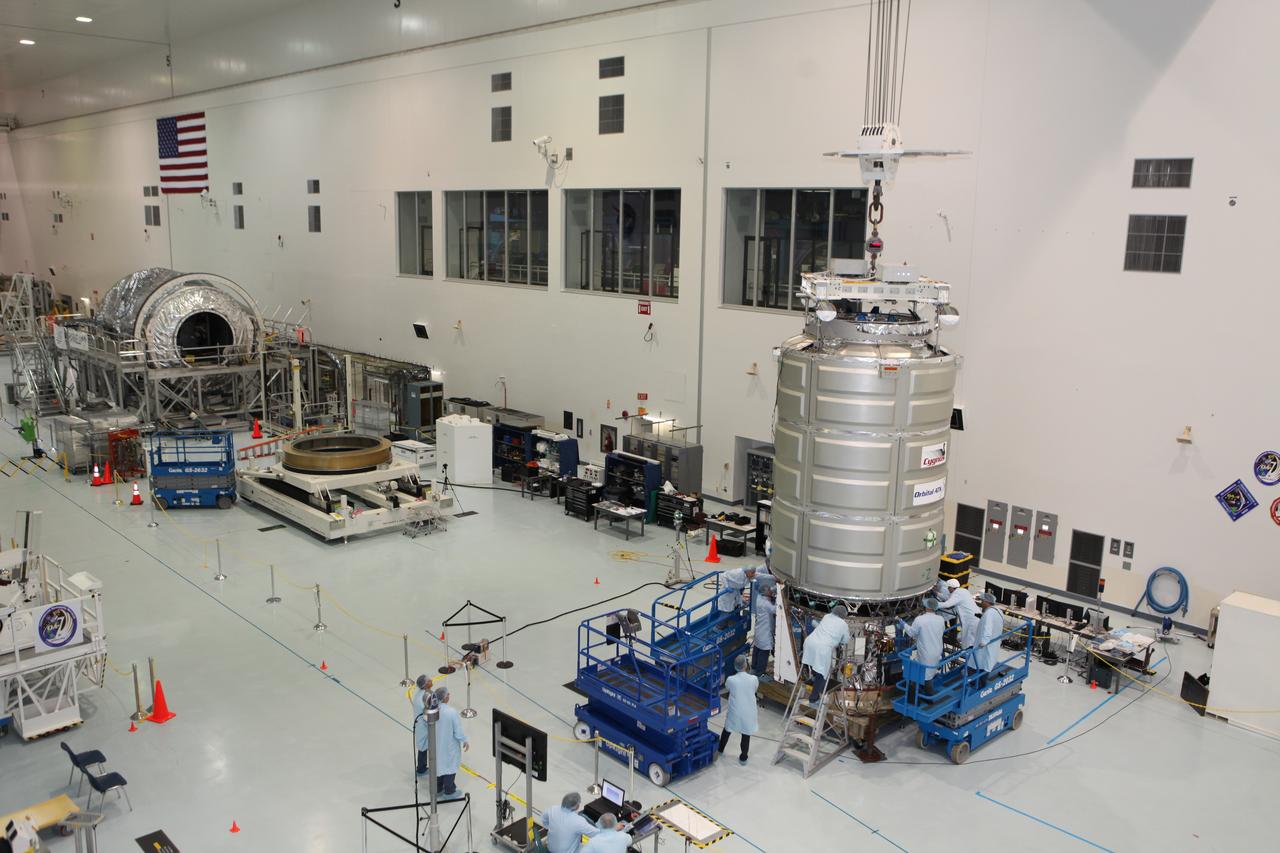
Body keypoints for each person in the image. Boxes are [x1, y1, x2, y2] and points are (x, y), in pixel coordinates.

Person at [801, 604, 850, 702]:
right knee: (821, 673)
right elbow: (845, 640)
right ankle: (813, 698)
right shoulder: (843, 624)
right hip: (822, 648)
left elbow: (823, 627)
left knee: (813, 662)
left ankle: (814, 675)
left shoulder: (827, 616)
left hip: (810, 642)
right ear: (844, 614)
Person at [718, 655, 759, 764]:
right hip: (748, 712)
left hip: (735, 711)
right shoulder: (753, 679)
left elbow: (727, 688)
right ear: (746, 665)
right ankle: (743, 757)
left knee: (727, 729)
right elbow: (755, 689)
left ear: (735, 666)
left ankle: (720, 749)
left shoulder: (731, 680)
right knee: (746, 734)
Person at [432, 686, 469, 799]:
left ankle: (437, 788)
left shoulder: (433, 710)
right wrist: (464, 740)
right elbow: (457, 731)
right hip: (449, 746)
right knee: (449, 767)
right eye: (448, 694)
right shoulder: (451, 712)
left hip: (436, 745)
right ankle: (449, 790)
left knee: (438, 766)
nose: (449, 696)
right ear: (444, 697)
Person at [900, 598, 946, 680]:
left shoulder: (920, 619)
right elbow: (940, 632)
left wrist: (903, 624)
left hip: (926, 653)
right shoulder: (941, 619)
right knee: (931, 671)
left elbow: (911, 633)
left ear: (927, 607)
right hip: (937, 650)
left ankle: (926, 690)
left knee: (926, 676)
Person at [936, 578, 980, 648]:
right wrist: (936, 593)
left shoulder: (957, 594)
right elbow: (949, 598)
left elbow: (947, 604)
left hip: (971, 621)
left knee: (968, 643)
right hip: (976, 618)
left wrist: (934, 604)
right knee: (968, 640)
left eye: (948, 588)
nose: (947, 589)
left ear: (951, 588)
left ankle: (970, 656)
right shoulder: (963, 591)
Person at [974, 592, 1006, 673]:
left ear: (986, 602)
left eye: (982, 601)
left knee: (982, 663)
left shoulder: (988, 613)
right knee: (987, 662)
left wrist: (984, 642)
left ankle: (978, 682)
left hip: (986, 645)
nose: (981, 603)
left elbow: (987, 628)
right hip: (994, 642)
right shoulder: (998, 611)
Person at [751, 583, 777, 680]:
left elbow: (767, 590)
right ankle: (759, 673)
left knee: (756, 649)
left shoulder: (759, 597)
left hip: (759, 630)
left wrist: (775, 588)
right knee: (763, 654)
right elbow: (776, 609)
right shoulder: (766, 604)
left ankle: (753, 667)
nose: (771, 591)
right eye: (770, 591)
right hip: (764, 633)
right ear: (766, 594)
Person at [412, 674, 433, 775]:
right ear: (425, 685)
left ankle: (422, 767)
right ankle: (421, 768)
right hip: (424, 726)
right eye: (429, 680)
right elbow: (426, 715)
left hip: (423, 725)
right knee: (423, 747)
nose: (431, 680)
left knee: (423, 747)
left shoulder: (423, 693)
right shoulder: (421, 699)